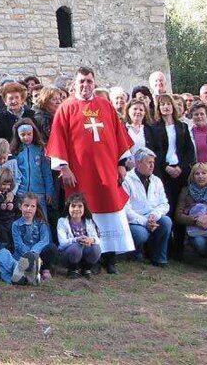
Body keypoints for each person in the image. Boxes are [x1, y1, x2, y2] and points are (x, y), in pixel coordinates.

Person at [47, 66, 136, 275]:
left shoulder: (105, 105)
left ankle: (110, 257)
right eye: (81, 82)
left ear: (94, 83)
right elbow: (58, 140)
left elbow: (118, 135)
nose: (85, 85)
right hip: (80, 173)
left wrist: (121, 164)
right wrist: (64, 167)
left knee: (111, 210)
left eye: (89, 81)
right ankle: (90, 258)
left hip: (106, 171)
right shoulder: (66, 108)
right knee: (84, 212)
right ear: (75, 84)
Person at [150, 93, 194, 261]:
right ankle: (165, 247)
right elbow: (155, 151)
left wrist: (181, 167)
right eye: (162, 105)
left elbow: (189, 151)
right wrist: (166, 167)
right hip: (163, 173)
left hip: (181, 173)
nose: (166, 107)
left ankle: (179, 249)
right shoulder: (155, 128)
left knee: (180, 208)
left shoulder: (182, 127)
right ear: (159, 108)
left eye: (169, 104)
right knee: (166, 209)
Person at [122, 149, 172, 267]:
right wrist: (145, 222)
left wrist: (154, 215)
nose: (152, 165)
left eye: (153, 162)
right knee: (140, 234)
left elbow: (164, 204)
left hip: (151, 217)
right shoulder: (126, 180)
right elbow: (125, 209)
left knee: (166, 222)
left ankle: (159, 258)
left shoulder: (156, 180)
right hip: (134, 220)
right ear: (138, 163)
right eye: (149, 162)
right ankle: (135, 253)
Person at [174, 163, 207, 259]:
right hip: (195, 227)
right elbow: (178, 215)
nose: (200, 176)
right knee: (200, 243)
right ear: (192, 176)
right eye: (197, 174)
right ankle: (206, 255)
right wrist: (196, 220)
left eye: (204, 173)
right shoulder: (185, 191)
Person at [11, 193, 57, 284]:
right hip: (23, 256)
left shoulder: (41, 223)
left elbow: (44, 240)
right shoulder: (15, 225)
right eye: (26, 205)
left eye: (32, 206)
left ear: (36, 208)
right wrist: (30, 255)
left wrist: (34, 253)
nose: (29, 209)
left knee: (51, 248)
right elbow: (18, 244)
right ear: (20, 207)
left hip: (38, 255)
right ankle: (29, 271)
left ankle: (45, 270)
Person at [11, 119, 53, 216]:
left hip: (39, 192)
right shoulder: (15, 151)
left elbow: (46, 172)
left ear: (34, 133)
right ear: (18, 135)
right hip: (21, 192)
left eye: (29, 134)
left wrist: (49, 191)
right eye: (23, 135)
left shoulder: (40, 149)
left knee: (42, 219)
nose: (26, 137)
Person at [57, 193, 102, 278]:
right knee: (76, 247)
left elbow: (97, 239)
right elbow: (62, 243)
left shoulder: (88, 221)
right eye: (73, 206)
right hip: (69, 254)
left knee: (96, 248)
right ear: (68, 208)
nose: (76, 209)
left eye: (80, 206)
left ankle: (86, 269)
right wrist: (77, 239)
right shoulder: (62, 221)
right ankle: (73, 269)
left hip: (85, 253)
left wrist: (91, 240)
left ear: (84, 208)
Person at [120, 98, 153, 178]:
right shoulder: (122, 128)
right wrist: (126, 163)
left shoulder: (149, 130)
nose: (138, 112)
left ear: (145, 113)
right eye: (135, 109)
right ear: (128, 111)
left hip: (146, 171)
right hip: (128, 171)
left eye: (141, 110)